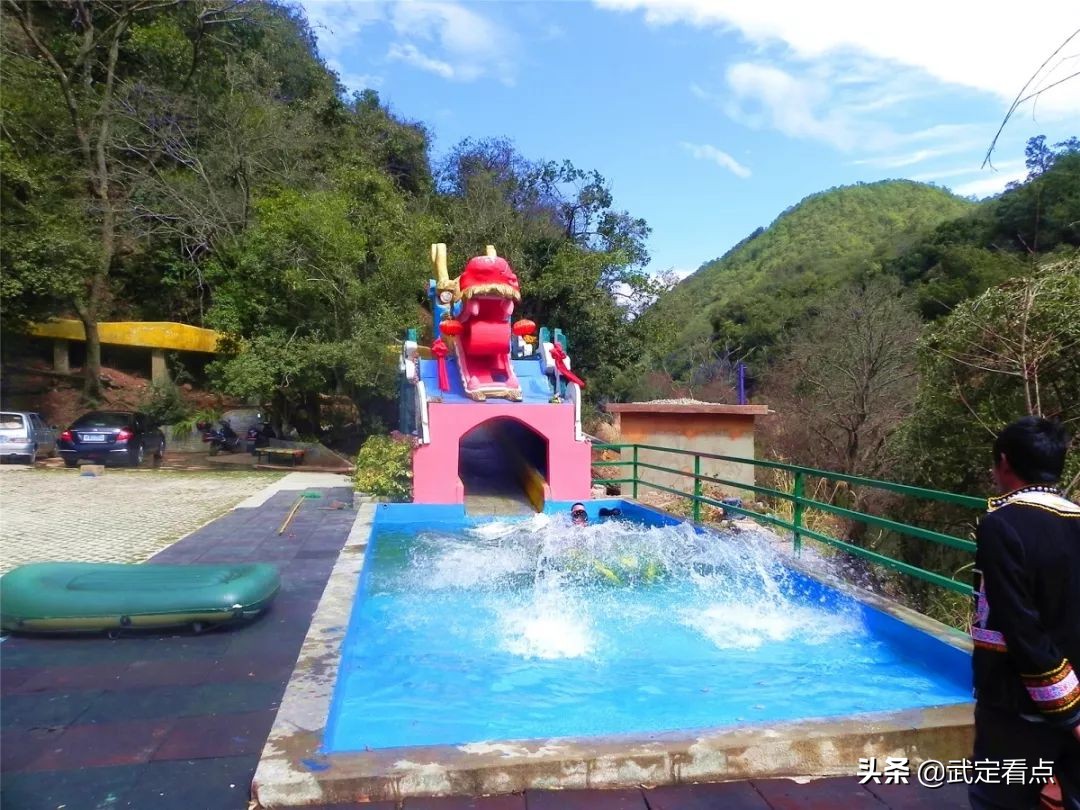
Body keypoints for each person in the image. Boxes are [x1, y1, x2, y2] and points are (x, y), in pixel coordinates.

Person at [969, 416, 1080, 810]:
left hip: (1020, 701)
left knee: (999, 798)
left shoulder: (1002, 525)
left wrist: (1069, 712)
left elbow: (1020, 626)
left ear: (1004, 462)